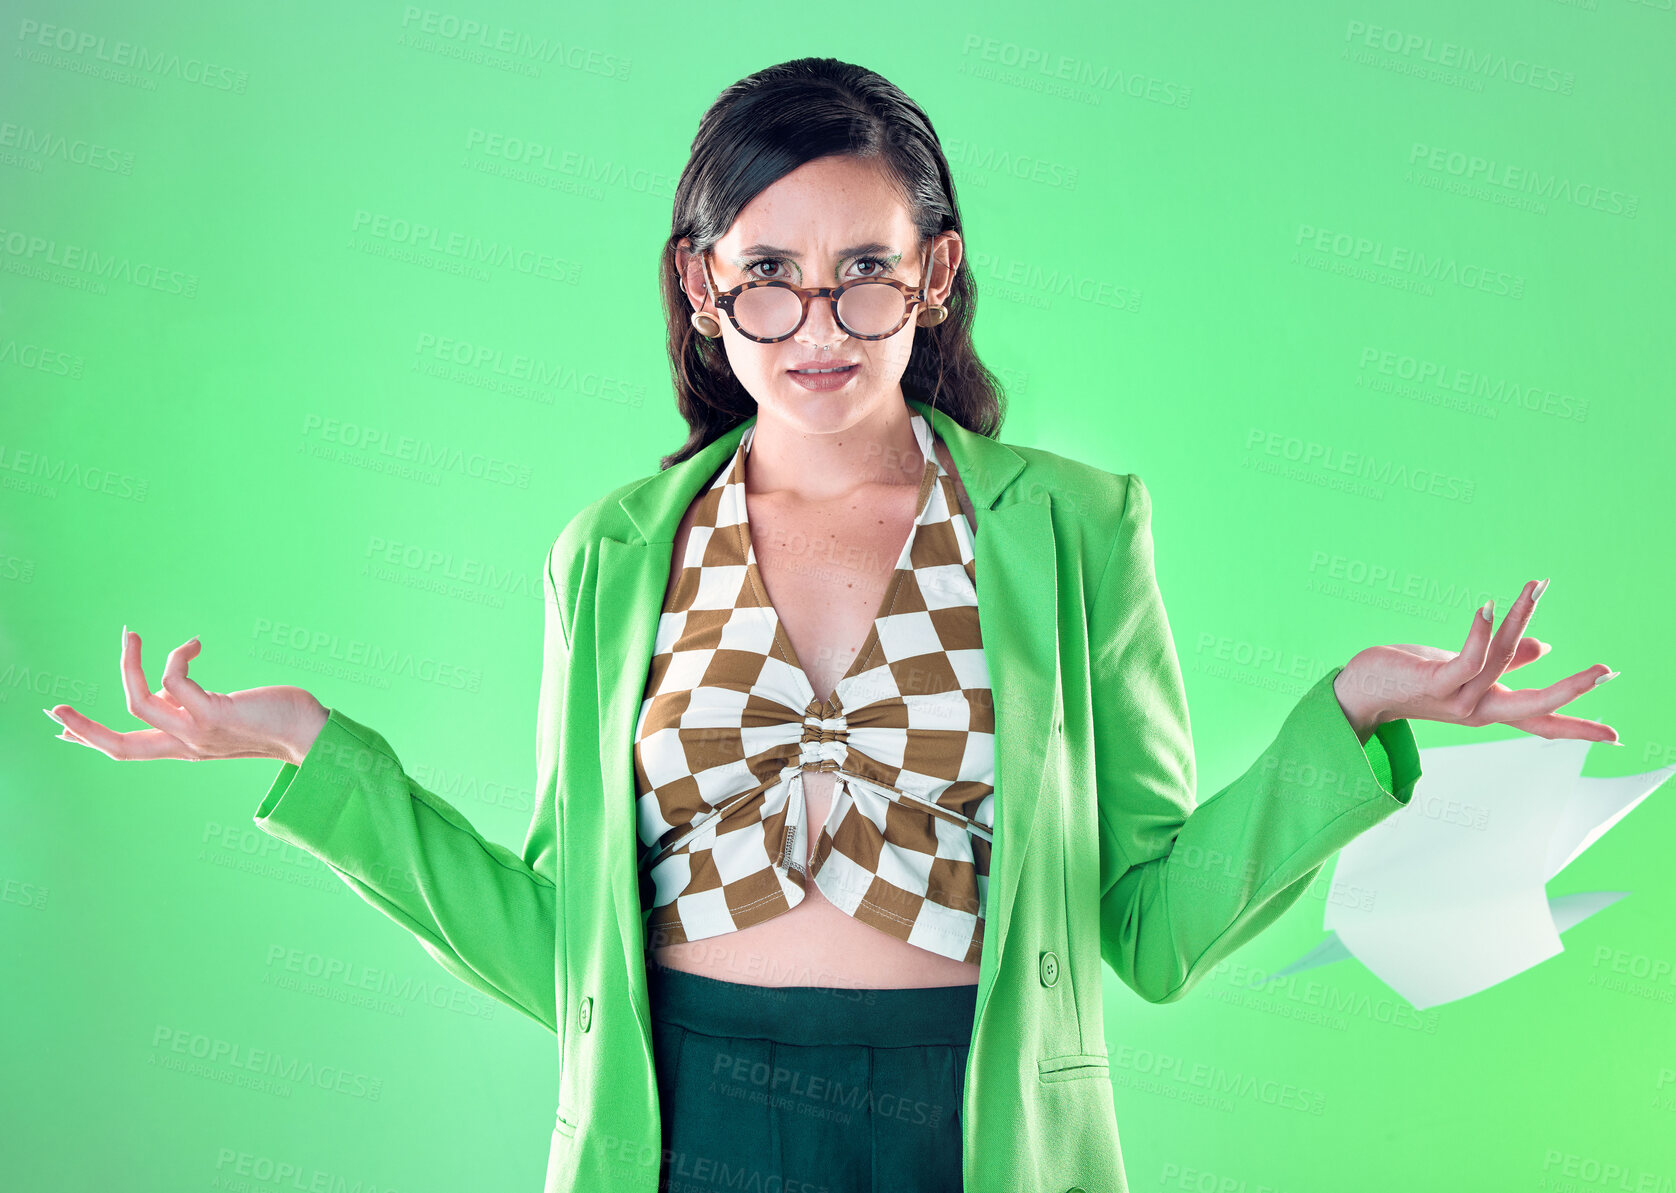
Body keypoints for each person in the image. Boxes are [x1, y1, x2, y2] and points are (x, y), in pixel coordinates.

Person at [45, 56, 1621, 1193]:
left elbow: (1145, 932)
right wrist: (323, 756)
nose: (817, 323)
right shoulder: (613, 551)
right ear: (701, 286)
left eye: (866, 270)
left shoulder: (1070, 528)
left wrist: (1346, 716)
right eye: (770, 275)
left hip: (976, 1123)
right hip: (685, 1121)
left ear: (935, 279)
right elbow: (557, 948)